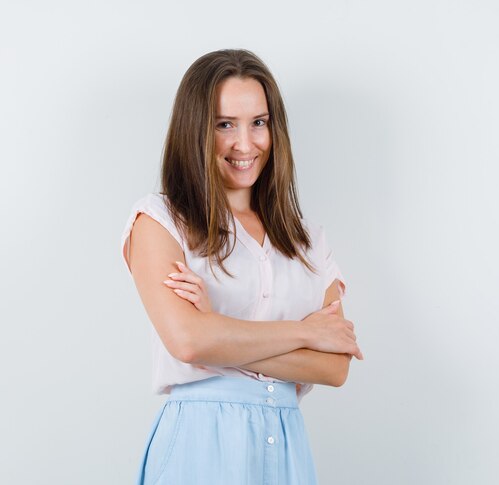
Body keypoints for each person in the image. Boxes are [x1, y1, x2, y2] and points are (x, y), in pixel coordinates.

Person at [121, 49, 363, 485]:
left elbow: (334, 368)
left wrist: (221, 332)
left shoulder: (307, 239)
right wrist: (308, 333)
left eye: (259, 122)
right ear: (195, 129)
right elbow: (190, 343)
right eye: (224, 124)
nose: (246, 143)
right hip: (201, 439)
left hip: (288, 441)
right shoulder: (159, 221)